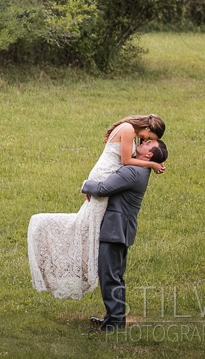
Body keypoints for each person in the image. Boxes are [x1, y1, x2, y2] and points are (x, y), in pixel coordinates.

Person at [27, 114, 165, 301]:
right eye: (150, 137)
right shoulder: (128, 130)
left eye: (149, 142)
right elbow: (125, 162)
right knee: (85, 227)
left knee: (86, 228)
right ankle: (77, 263)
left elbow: (124, 165)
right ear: (148, 128)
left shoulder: (132, 141)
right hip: (104, 177)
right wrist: (151, 163)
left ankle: (80, 265)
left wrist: (90, 185)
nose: (146, 139)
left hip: (105, 185)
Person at [82, 137, 168, 333]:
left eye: (148, 143)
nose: (144, 141)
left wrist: (86, 184)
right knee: (115, 276)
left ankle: (112, 326)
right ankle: (115, 319)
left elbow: (103, 189)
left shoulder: (133, 172)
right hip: (121, 229)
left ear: (148, 154)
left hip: (115, 230)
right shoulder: (141, 168)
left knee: (109, 277)